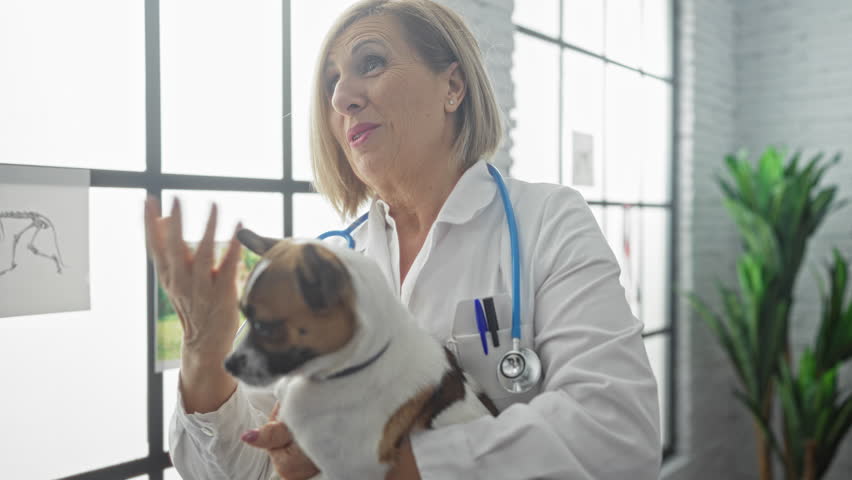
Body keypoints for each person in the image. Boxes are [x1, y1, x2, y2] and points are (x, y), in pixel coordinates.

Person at [144, 0, 662, 478]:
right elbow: (236, 470)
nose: (342, 97)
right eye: (331, 84)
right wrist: (201, 353)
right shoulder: (326, 265)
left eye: (370, 63)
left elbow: (617, 434)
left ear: (452, 87)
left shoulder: (546, 220)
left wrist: (380, 465)